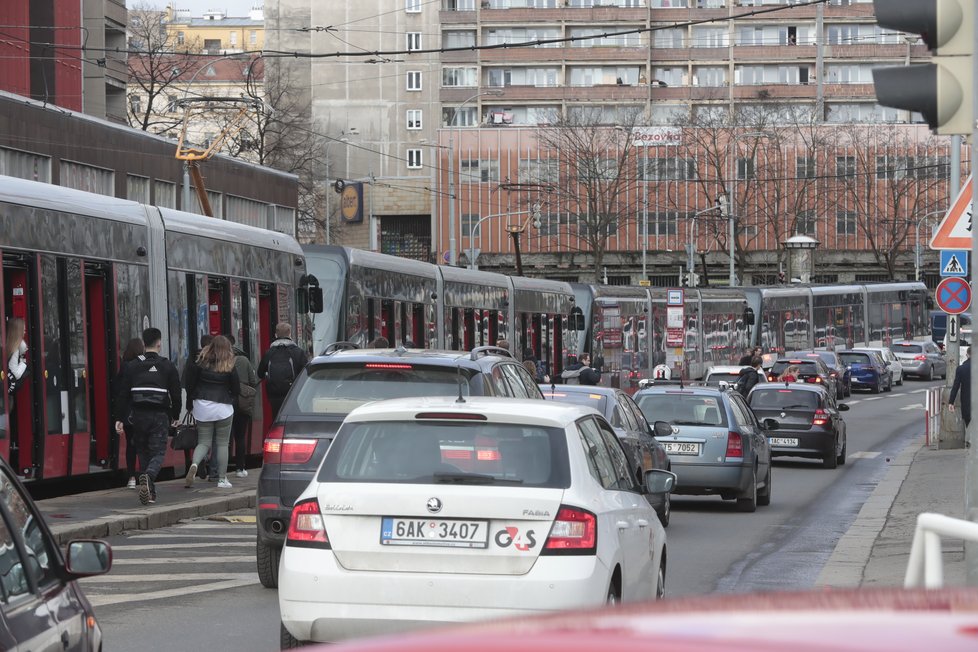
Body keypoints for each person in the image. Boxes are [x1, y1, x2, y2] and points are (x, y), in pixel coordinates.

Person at [114, 328, 181, 505]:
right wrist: (175, 416)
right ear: (159, 343)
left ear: (144, 344)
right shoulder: (167, 365)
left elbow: (123, 394)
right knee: (158, 451)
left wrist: (120, 418)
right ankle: (148, 475)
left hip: (138, 415)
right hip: (159, 415)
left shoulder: (132, 365)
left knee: (143, 451)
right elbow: (176, 394)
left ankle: (150, 493)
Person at [185, 335, 240, 489]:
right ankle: (222, 479)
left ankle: (195, 464)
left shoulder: (200, 362)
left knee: (203, 442)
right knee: (222, 444)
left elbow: (190, 384)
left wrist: (191, 402)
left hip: (202, 405)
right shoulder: (229, 364)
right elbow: (236, 388)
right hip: (223, 407)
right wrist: (231, 398)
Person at [257, 322, 308, 421]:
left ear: (276, 334)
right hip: (293, 392)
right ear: (289, 333)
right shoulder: (298, 352)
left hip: (274, 394)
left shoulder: (269, 353)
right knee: (292, 419)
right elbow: (306, 373)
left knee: (277, 419)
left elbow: (260, 373)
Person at [113, 337, 145, 489]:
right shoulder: (146, 365)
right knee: (145, 444)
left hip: (129, 413)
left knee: (130, 446)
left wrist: (119, 417)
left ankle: (131, 477)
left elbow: (120, 391)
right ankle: (146, 473)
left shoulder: (125, 367)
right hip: (144, 411)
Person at [228, 334, 258, 477]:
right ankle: (240, 468)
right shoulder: (244, 360)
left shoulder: (221, 361)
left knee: (223, 438)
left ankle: (218, 470)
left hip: (224, 403)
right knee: (240, 437)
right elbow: (253, 381)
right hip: (242, 403)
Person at [4, 317, 27, 399]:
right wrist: (23, 363)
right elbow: (16, 374)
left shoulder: (7, 345)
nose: (24, 333)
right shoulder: (15, 349)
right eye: (23, 330)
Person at [949, 349, 971, 426]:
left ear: (967, 355)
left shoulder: (961, 369)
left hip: (968, 406)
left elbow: (956, 386)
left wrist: (951, 402)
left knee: (969, 428)